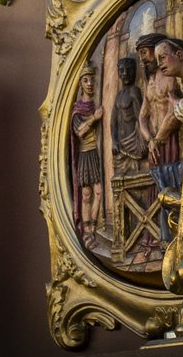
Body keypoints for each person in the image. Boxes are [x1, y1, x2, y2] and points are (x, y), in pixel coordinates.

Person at [135, 33, 182, 243]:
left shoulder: (171, 78)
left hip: (171, 141)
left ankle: (174, 233)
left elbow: (175, 112)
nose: (143, 59)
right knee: (155, 187)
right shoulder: (150, 82)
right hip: (155, 145)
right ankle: (154, 236)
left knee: (171, 185)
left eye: (145, 53)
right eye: (140, 55)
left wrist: (159, 139)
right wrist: (149, 139)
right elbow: (142, 116)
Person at [71, 65, 103, 246]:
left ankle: (93, 229)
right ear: (81, 83)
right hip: (84, 153)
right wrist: (94, 118)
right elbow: (80, 131)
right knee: (86, 194)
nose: (90, 83)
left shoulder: (96, 102)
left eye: (92, 79)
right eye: (85, 80)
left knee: (98, 192)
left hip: (96, 153)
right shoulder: (78, 109)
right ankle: (87, 232)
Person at [111, 56, 145, 173]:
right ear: (118, 73)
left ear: (134, 72)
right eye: (121, 70)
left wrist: (143, 141)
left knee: (136, 176)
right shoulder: (119, 95)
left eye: (129, 70)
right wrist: (114, 141)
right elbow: (113, 122)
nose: (125, 73)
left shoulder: (134, 92)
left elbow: (140, 118)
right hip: (120, 145)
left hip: (133, 144)